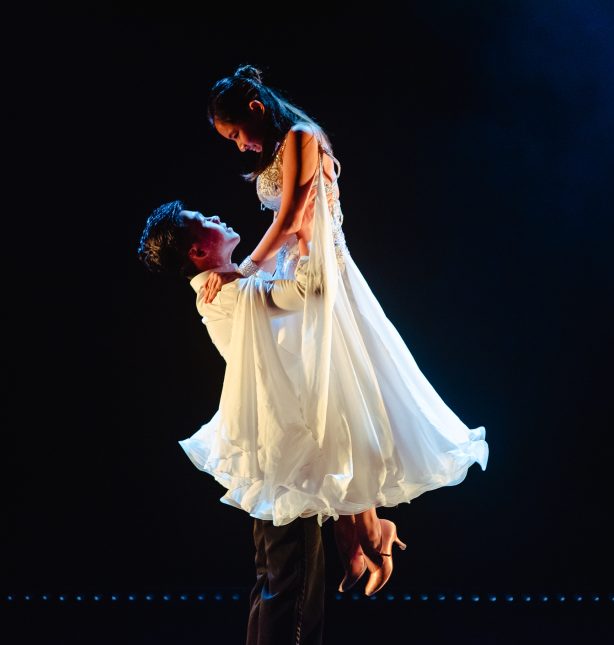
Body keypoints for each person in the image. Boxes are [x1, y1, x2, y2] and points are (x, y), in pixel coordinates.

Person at [201, 64, 490, 598]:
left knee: (339, 395)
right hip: (301, 273)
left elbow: (289, 220)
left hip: (322, 277)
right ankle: (362, 532)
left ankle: (367, 531)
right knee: (326, 403)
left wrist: (244, 270)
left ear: (257, 111)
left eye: (238, 134)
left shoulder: (302, 138)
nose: (240, 147)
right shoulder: (287, 145)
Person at [137, 201, 325, 645]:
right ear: (200, 250)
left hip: (268, 449)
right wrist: (316, 232)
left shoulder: (226, 287)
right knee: (291, 587)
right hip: (281, 451)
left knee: (274, 581)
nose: (219, 217)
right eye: (207, 221)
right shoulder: (231, 295)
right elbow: (310, 289)